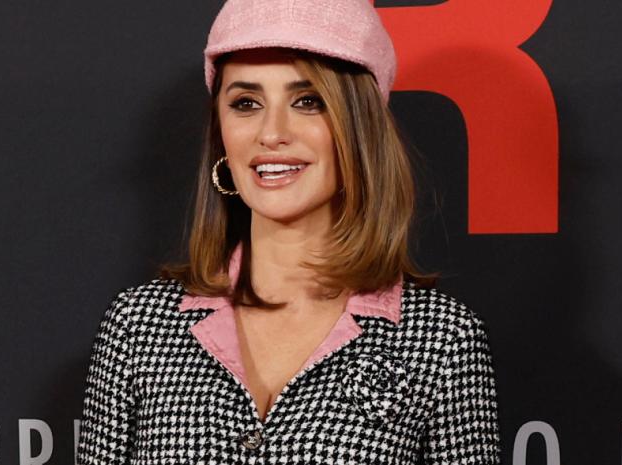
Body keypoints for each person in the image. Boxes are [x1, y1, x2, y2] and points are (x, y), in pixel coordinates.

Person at [77, 0, 501, 463]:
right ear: (221, 132)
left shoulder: (442, 342)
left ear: (359, 128)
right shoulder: (138, 327)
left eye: (307, 101)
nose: (271, 133)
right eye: (246, 103)